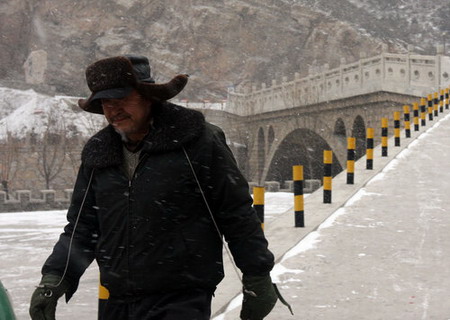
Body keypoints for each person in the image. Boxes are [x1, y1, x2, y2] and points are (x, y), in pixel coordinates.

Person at [29, 55, 277, 320]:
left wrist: (257, 275)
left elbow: (235, 213)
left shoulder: (196, 141)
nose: (113, 110)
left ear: (148, 96)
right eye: (105, 103)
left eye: (121, 99)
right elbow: (82, 227)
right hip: (118, 301)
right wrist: (54, 278)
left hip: (182, 298)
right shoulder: (99, 153)